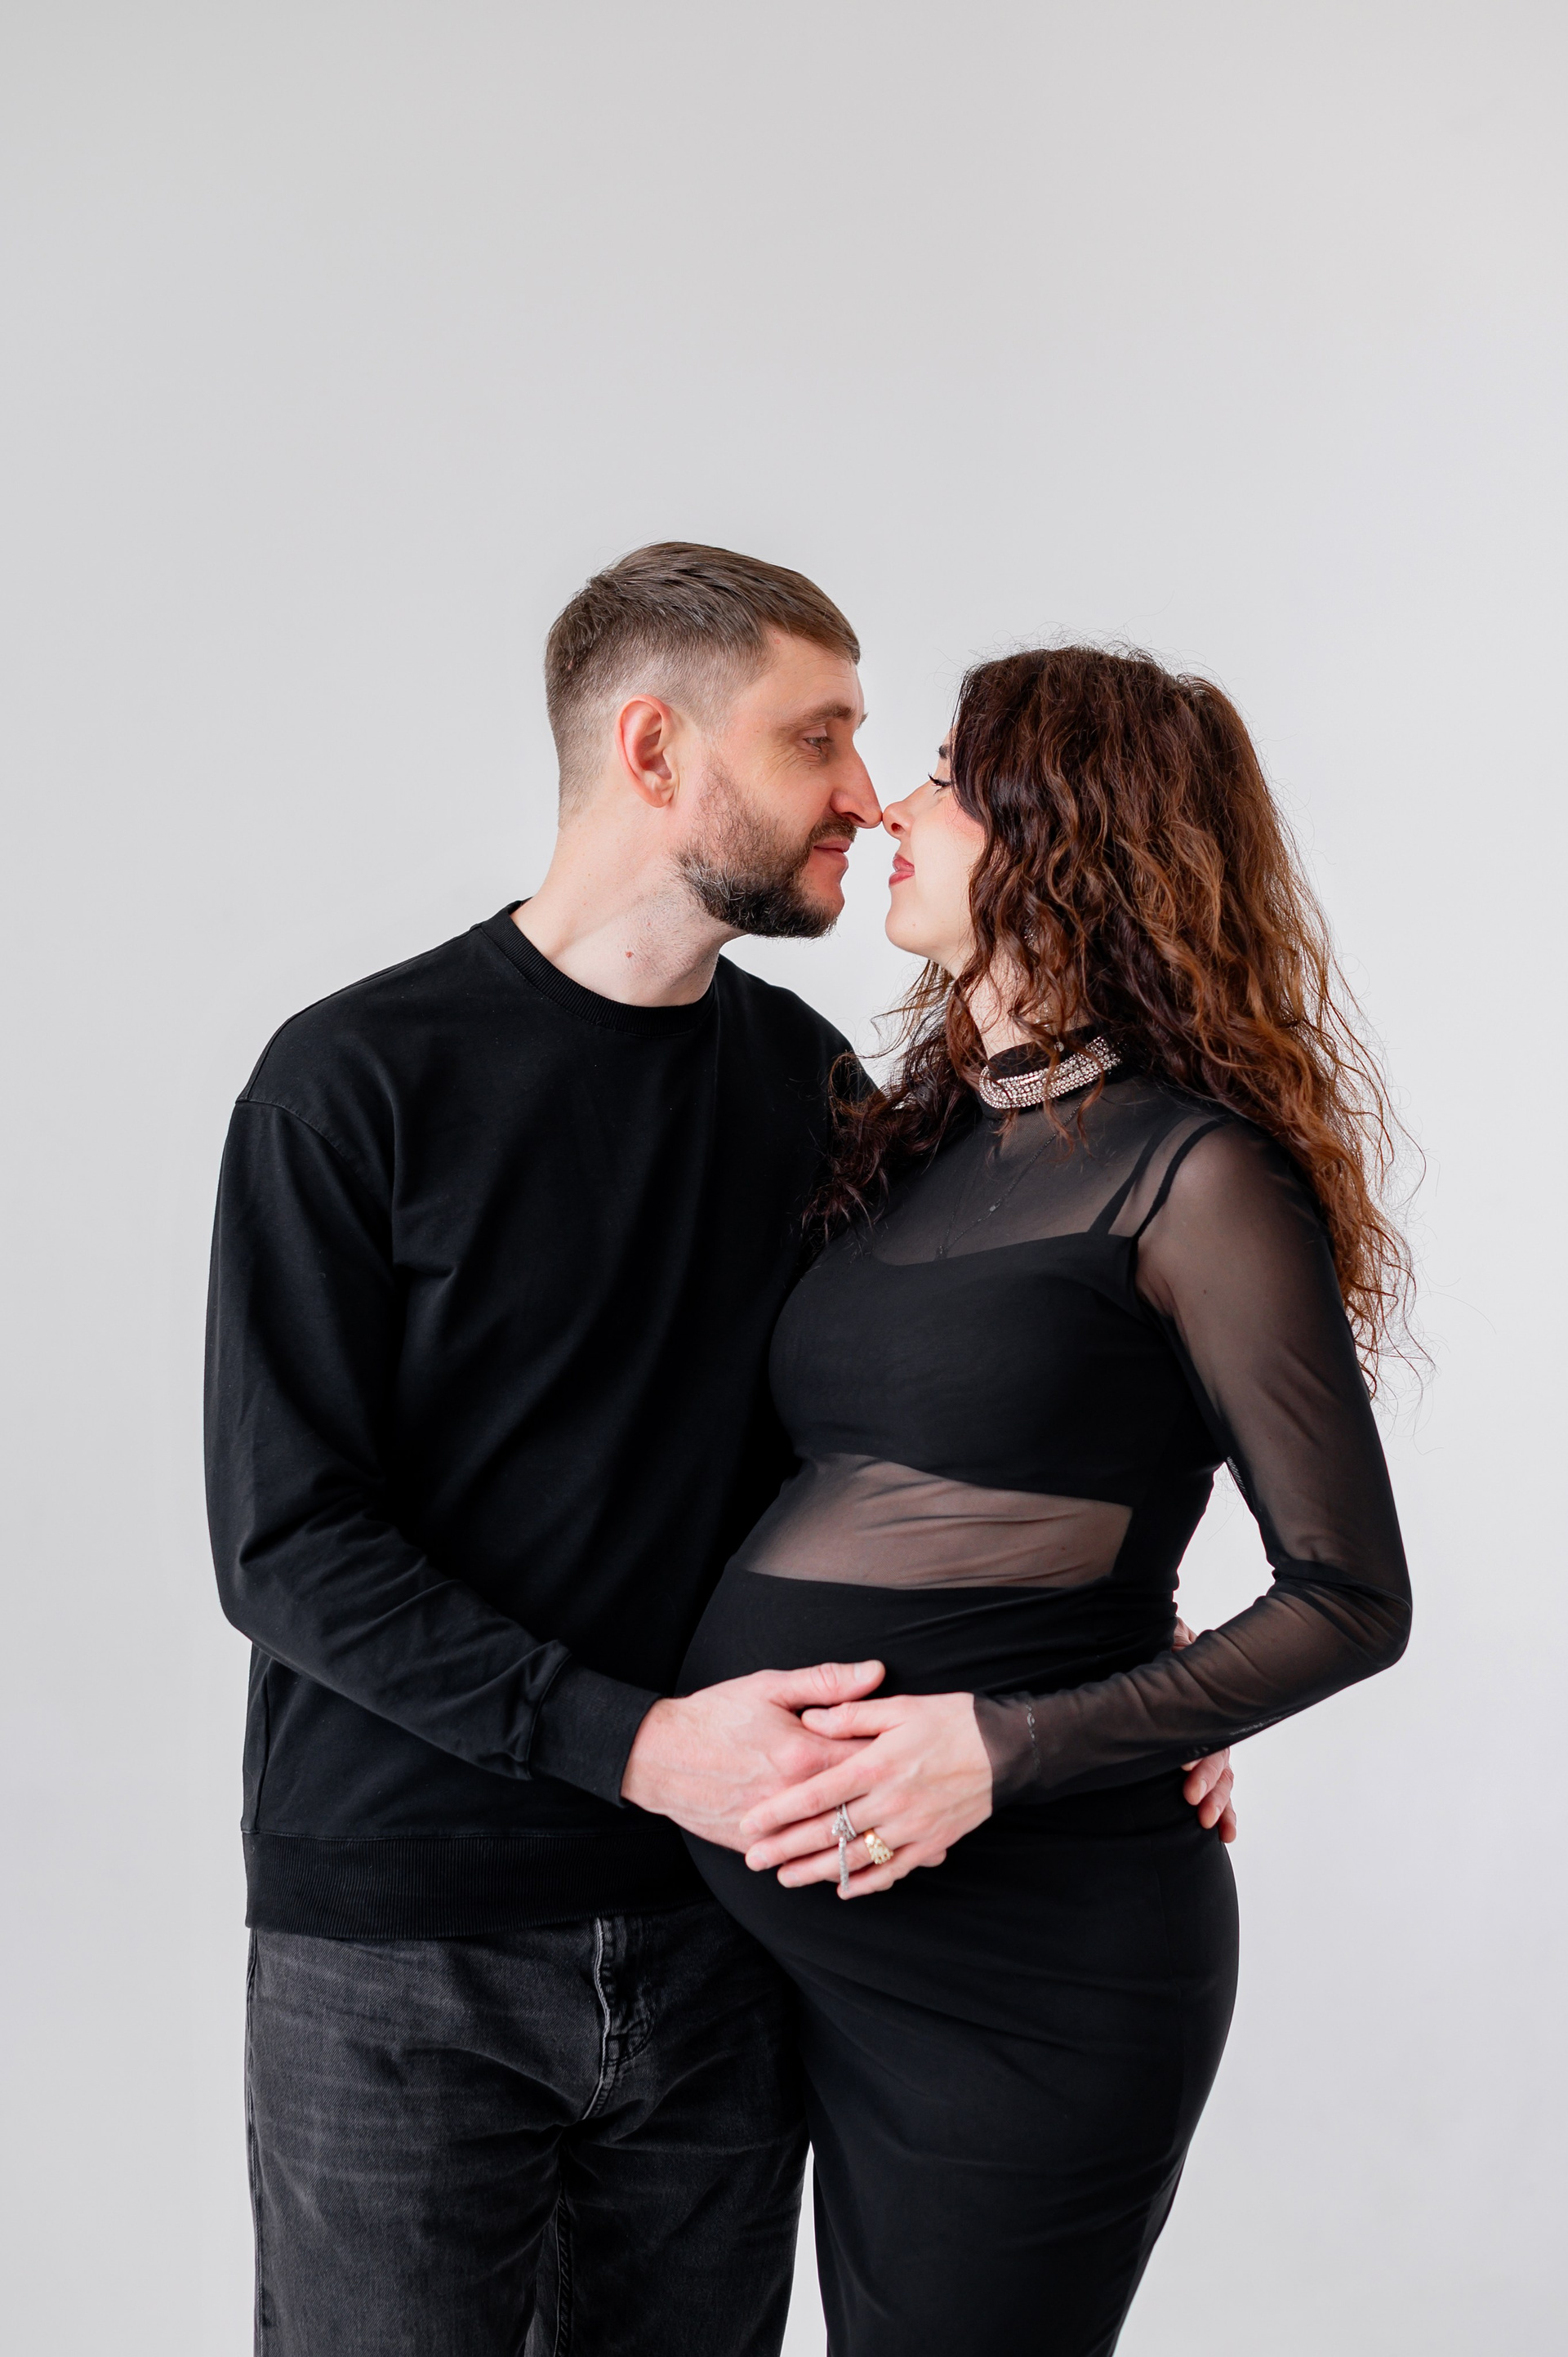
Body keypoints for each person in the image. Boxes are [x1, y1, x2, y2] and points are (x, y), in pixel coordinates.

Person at [205, 548, 1236, 2357]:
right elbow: (286, 1545)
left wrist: (1113, 1670)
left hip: (730, 1942)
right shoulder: (352, 1081)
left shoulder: (817, 1094)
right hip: (408, 1946)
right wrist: (641, 1744)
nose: (867, 790)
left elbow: (949, 1425)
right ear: (655, 749)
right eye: (815, 735)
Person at [675, 646, 1413, 2357]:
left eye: (947, 778)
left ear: (1065, 831)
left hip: (1035, 1964)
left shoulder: (1197, 1175)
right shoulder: (921, 1143)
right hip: (812, 1939)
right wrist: (1135, 1668)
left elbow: (1351, 1596)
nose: (894, 805)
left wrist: (1013, 1742)